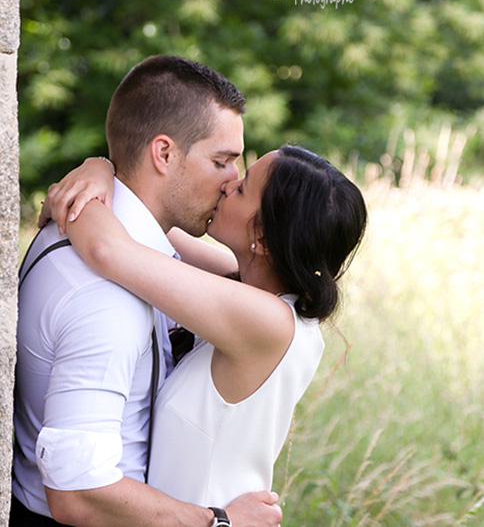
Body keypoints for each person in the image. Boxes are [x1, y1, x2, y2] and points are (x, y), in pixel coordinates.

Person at [12, 55, 281, 527]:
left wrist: (100, 166)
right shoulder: (107, 299)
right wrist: (219, 521)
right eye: (221, 161)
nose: (231, 182)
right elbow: (77, 494)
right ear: (163, 154)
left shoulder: (108, 232)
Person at [45, 143, 367, 508]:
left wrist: (78, 192)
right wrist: (98, 168)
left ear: (261, 237)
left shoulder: (267, 322)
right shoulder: (258, 294)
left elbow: (108, 249)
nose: (229, 182)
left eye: (243, 187)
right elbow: (148, 221)